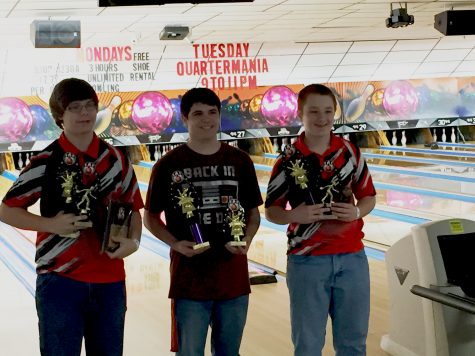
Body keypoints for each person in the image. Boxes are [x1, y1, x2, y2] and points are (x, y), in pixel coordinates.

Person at [0, 78, 144, 356]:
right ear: (59, 117)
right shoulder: (45, 160)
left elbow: (133, 209)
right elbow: (6, 210)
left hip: (110, 281)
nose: (85, 113)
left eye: (90, 106)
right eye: (75, 107)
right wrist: (50, 224)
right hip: (59, 281)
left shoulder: (116, 159)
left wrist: (135, 241)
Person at [144, 87, 262, 356]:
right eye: (197, 113)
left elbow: (253, 215)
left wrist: (247, 238)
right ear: (185, 119)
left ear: (219, 115)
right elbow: (149, 217)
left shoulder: (240, 161)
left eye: (212, 112)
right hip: (189, 282)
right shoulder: (167, 165)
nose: (206, 119)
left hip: (233, 278)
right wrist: (175, 244)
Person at [264, 83, 376, 356]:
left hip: (352, 258)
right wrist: (294, 215)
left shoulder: (350, 152)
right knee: (308, 345)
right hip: (306, 261)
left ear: (335, 113)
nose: (321, 118)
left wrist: (357, 211)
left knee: (353, 344)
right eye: (313, 111)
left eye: (327, 111)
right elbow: (271, 210)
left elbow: (369, 197)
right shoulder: (288, 160)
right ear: (300, 113)